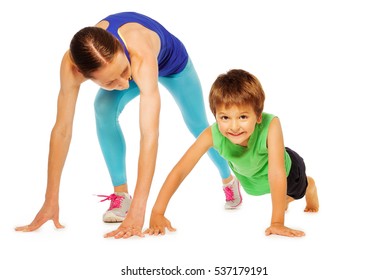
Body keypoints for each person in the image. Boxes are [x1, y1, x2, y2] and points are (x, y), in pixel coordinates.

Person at [15, 12, 242, 238]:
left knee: (198, 125)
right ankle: (121, 195)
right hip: (131, 65)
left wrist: (139, 210)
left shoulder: (139, 52)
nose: (123, 84)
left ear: (118, 46)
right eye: (110, 82)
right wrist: (50, 200)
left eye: (123, 72)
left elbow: (149, 134)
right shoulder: (70, 66)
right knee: (103, 108)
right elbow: (62, 130)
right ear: (83, 75)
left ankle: (228, 179)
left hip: (172, 64)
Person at [145, 69, 319, 238]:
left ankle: (308, 186)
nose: (234, 127)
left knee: (296, 191)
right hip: (254, 181)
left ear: (258, 116)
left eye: (243, 117)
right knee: (274, 194)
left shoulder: (271, 124)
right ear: (216, 117)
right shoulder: (212, 135)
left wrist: (277, 222)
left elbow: (276, 172)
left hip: (287, 171)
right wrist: (157, 212)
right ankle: (284, 199)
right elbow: (180, 170)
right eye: (225, 118)